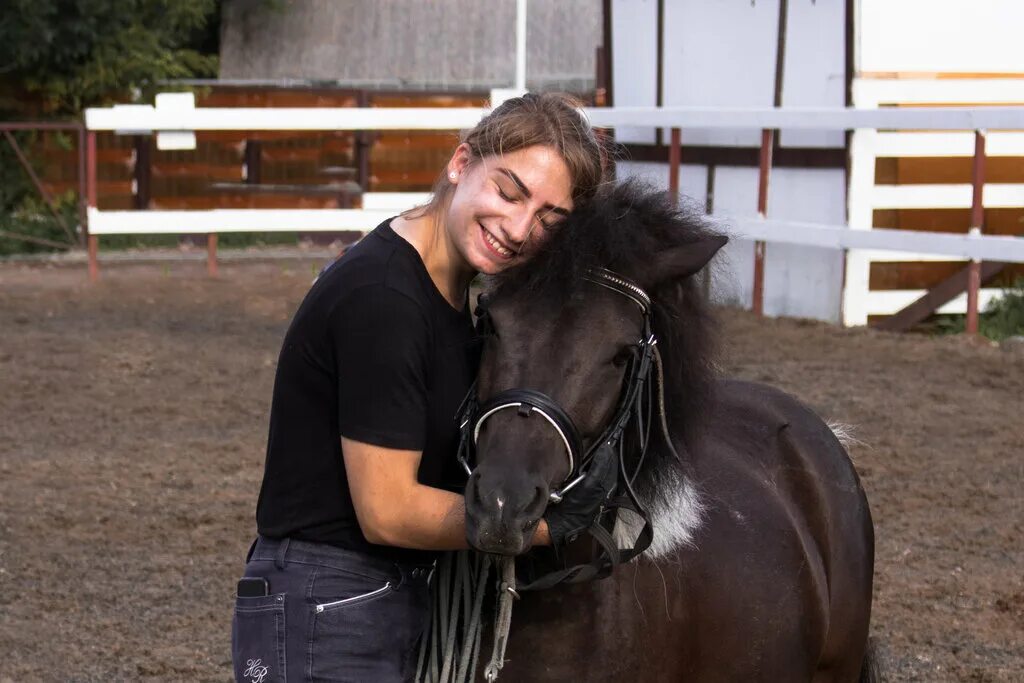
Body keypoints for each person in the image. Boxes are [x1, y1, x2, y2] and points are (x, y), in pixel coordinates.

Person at [231, 92, 609, 683]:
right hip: (330, 603)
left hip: (379, 596)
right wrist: (546, 527)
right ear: (461, 164)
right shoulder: (386, 299)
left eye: (546, 219)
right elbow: (388, 510)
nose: (517, 228)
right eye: (508, 193)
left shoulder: (453, 293)